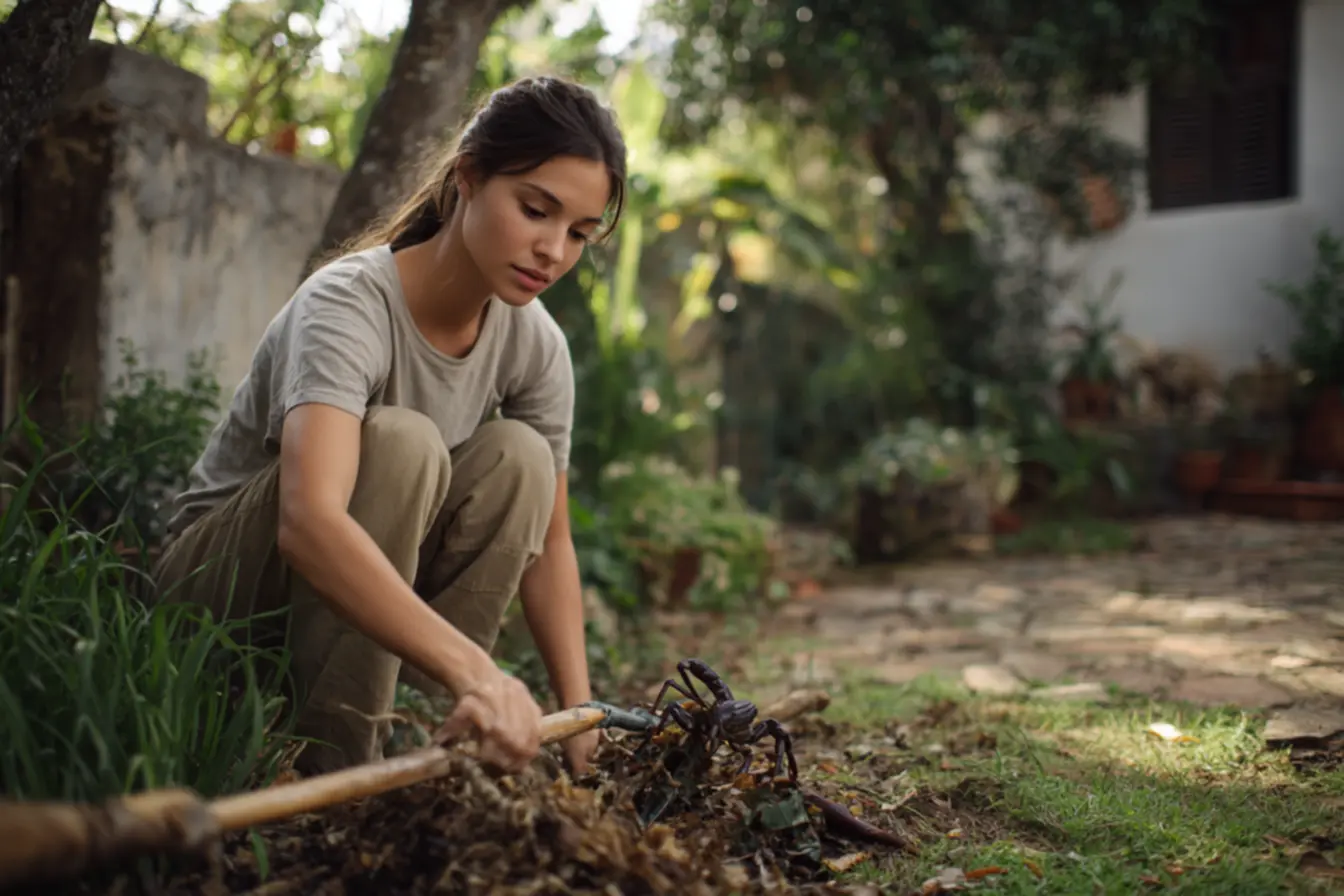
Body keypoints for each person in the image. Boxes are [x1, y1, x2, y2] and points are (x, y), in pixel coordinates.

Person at [152, 75, 627, 780]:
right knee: (404, 443)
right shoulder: (349, 303)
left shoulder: (535, 342)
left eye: (579, 233)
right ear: (467, 177)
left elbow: (551, 544)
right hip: (215, 598)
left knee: (520, 458)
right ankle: (340, 765)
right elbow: (308, 521)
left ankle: (442, 738)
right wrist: (480, 668)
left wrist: (581, 713)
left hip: (354, 590)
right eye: (536, 210)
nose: (553, 251)